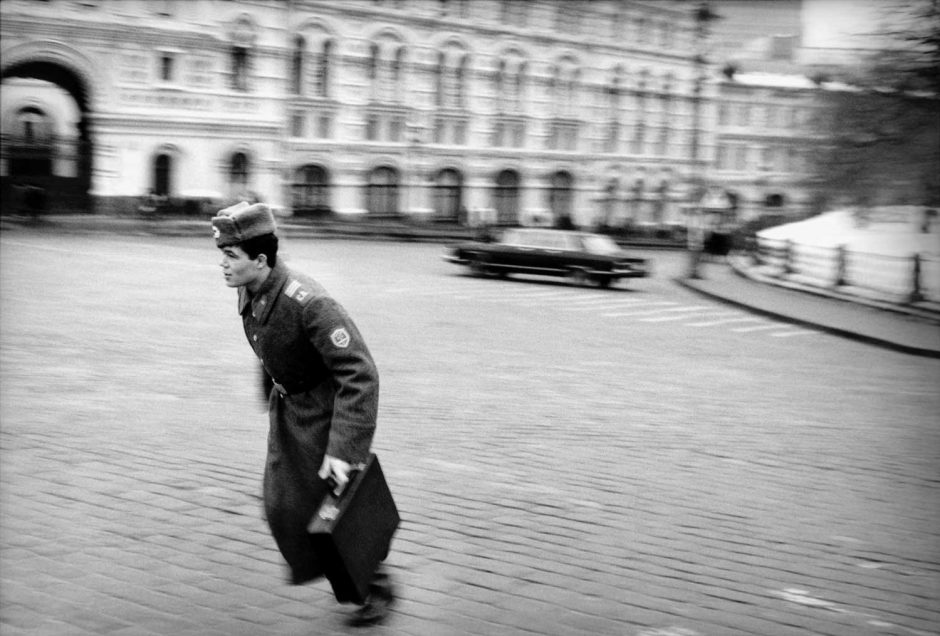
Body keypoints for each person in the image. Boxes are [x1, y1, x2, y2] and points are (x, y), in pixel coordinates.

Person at [211, 201, 394, 626]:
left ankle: (375, 586)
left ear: (260, 260)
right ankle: (357, 578)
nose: (222, 264)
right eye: (222, 254)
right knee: (284, 506)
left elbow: (360, 373)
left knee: (329, 506)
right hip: (289, 409)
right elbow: (270, 344)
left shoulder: (309, 302)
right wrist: (272, 391)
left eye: (230, 256)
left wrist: (344, 450)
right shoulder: (252, 288)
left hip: (324, 415)